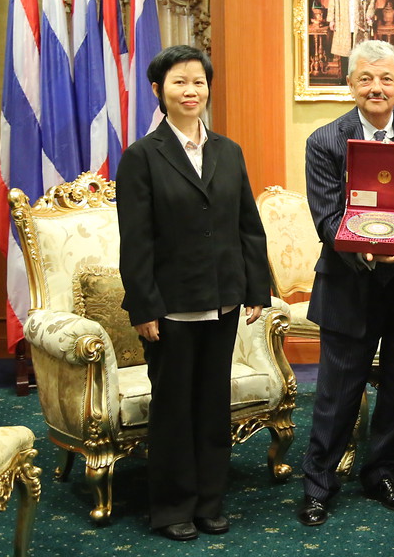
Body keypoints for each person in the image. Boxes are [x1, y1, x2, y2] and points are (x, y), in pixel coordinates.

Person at [117, 44, 270, 542]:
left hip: (223, 300)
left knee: (212, 405)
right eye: (179, 82)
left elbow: (248, 225)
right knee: (173, 409)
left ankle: (209, 501)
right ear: (158, 90)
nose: (191, 91)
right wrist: (144, 306)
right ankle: (171, 507)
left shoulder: (228, 151)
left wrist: (256, 288)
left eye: (199, 82)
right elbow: (136, 240)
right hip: (171, 308)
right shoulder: (142, 157)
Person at [297, 40, 394, 527]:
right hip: (349, 285)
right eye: (366, 79)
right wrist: (370, 251)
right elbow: (327, 218)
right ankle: (318, 484)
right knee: (337, 395)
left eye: (386, 79)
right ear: (350, 84)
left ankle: (380, 471)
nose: (377, 88)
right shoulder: (325, 140)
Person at [327, 0, 376, 78]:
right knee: (345, 51)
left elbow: (371, 0)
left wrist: (369, 16)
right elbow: (332, 1)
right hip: (343, 20)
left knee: (358, 50)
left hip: (359, 21)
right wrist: (331, 20)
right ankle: (345, 78)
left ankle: (358, 77)